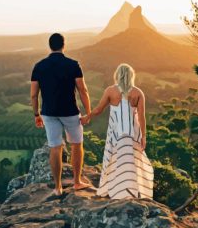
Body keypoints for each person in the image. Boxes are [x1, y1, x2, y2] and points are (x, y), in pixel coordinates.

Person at [30, 33, 91, 195]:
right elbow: (82, 90)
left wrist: (36, 114)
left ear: (50, 46)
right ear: (64, 45)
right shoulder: (73, 65)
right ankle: (77, 182)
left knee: (55, 148)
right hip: (70, 112)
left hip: (48, 113)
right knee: (77, 145)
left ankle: (58, 187)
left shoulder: (39, 66)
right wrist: (88, 112)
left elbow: (34, 94)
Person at [82, 63, 154, 199]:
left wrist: (87, 116)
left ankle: (114, 191)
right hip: (133, 132)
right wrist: (144, 136)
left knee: (113, 159)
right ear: (131, 76)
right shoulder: (138, 93)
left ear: (117, 75)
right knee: (131, 161)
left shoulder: (110, 91)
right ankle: (131, 192)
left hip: (116, 132)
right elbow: (142, 117)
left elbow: (98, 110)